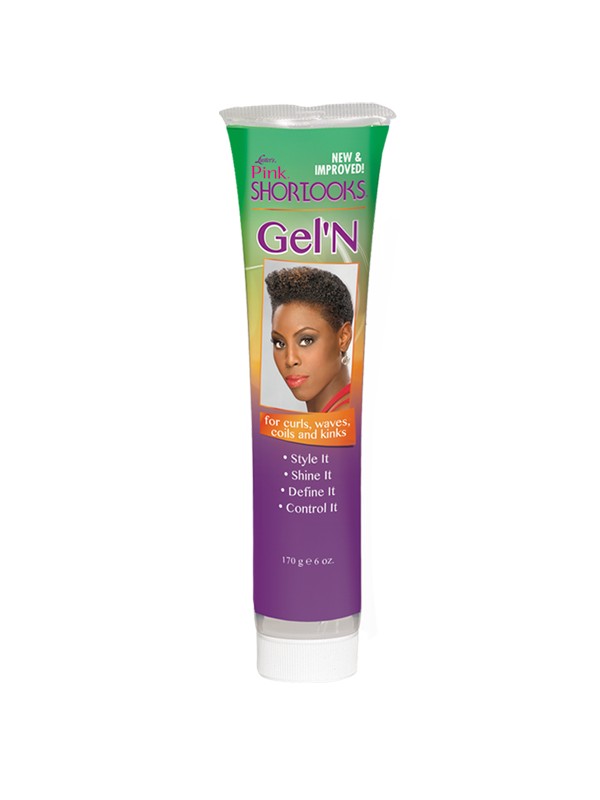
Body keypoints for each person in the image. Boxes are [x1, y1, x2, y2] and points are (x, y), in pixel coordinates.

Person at [265, 266, 353, 413]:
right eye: (280, 343)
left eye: (306, 340)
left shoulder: (345, 416)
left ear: (343, 338)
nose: (290, 360)